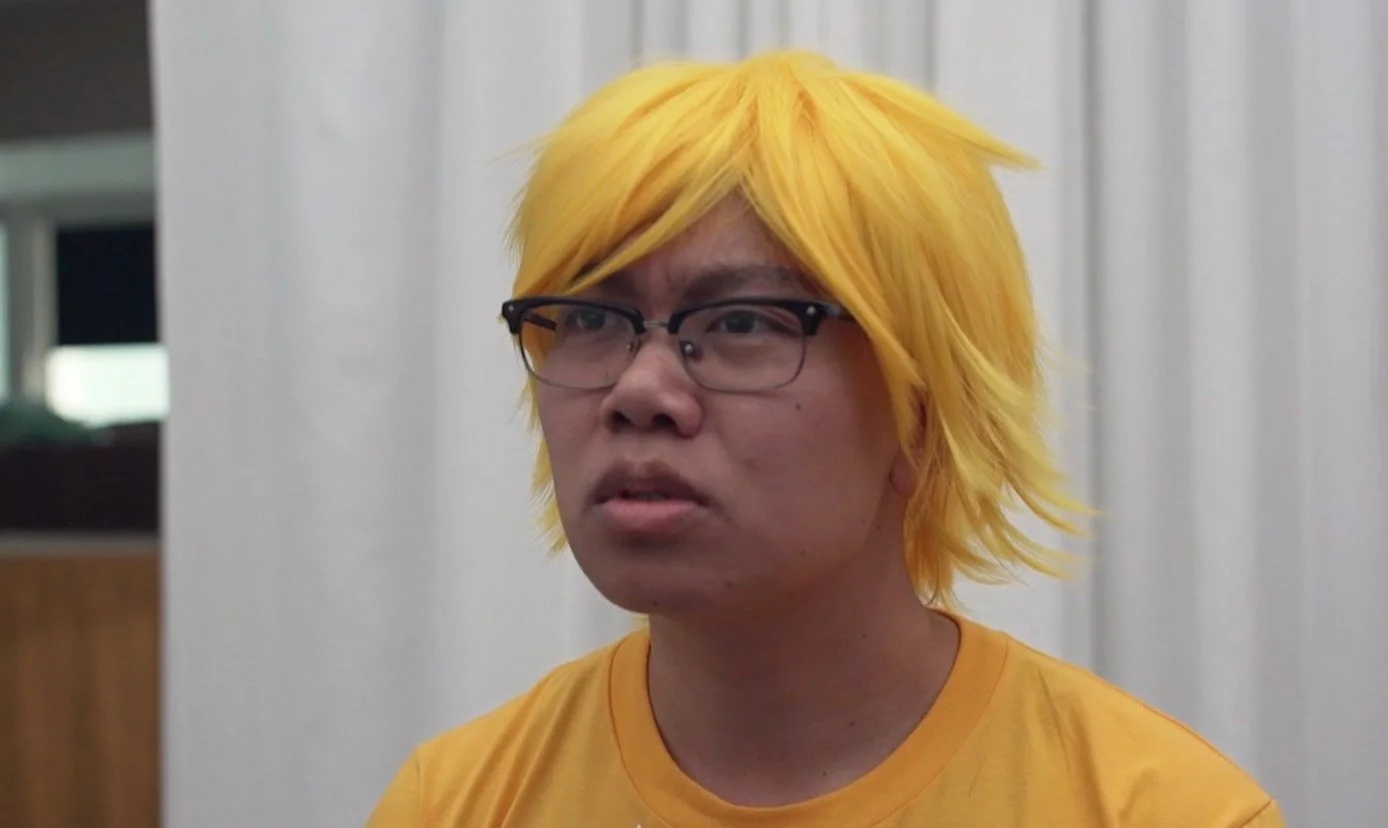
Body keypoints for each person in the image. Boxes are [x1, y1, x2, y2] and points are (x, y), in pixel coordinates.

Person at [368, 50, 1282, 827]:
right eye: (591, 319)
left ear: (923, 407)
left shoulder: (1156, 809)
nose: (639, 391)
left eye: (741, 322)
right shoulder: (455, 803)